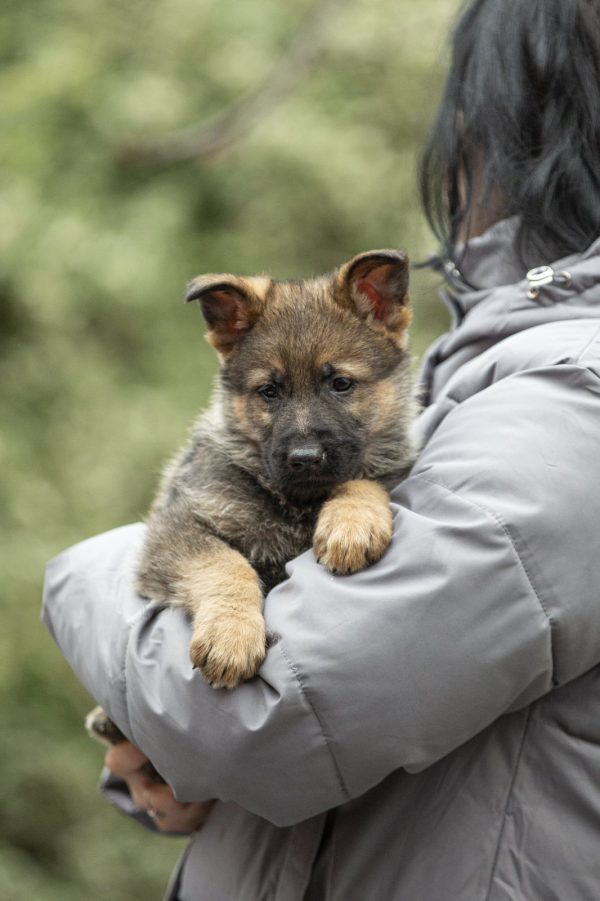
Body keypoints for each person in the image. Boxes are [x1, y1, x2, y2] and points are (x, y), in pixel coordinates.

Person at [42, 0, 600, 898]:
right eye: (270, 396)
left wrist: (75, 577)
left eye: (339, 387)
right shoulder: (479, 362)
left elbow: (275, 717)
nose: (304, 432)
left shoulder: (574, 396)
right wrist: (151, 746)